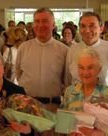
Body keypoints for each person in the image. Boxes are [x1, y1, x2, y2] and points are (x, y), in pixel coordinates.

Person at [16, 8, 68, 136]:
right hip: (26, 108)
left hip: (52, 108)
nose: (40, 25)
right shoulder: (24, 48)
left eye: (45, 21)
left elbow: (67, 82)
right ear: (33, 25)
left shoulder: (64, 50)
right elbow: (18, 75)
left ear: (53, 24)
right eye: (37, 21)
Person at [66, 12, 108, 115]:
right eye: (83, 26)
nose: (87, 30)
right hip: (77, 112)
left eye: (92, 26)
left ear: (101, 28)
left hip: (106, 112)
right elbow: (68, 82)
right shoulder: (72, 50)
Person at [62, 48, 108, 135]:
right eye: (81, 68)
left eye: (90, 68)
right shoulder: (69, 92)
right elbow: (64, 125)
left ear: (99, 69)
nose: (85, 73)